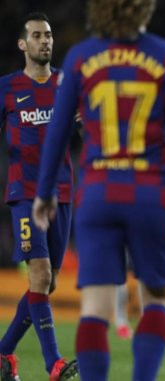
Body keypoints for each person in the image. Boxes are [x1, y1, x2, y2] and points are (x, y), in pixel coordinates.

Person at [32, 0, 165, 380]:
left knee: (95, 307)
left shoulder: (82, 57)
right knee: (156, 301)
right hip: (149, 194)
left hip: (97, 193)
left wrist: (45, 191)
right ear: (144, 9)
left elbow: (58, 132)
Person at [0, 12, 78, 381]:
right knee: (41, 274)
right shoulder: (8, 88)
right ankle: (55, 365)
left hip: (63, 191)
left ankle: (3, 354)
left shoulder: (68, 84)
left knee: (46, 284)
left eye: (48, 35)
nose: (45, 40)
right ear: (23, 44)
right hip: (25, 192)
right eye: (36, 35)